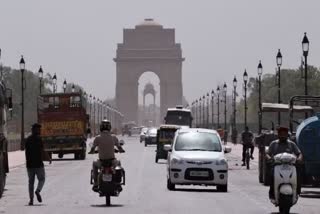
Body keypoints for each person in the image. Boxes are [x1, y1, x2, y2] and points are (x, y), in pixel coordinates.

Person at [266, 126, 303, 200]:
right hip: (277, 165)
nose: (283, 136)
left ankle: (297, 191)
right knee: (271, 176)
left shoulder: (291, 144)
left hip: (289, 166)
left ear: (287, 135)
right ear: (278, 135)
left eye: (284, 134)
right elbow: (267, 153)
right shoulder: (274, 144)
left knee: (298, 174)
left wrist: (299, 159)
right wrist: (269, 158)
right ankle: (272, 193)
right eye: (281, 134)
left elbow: (299, 153)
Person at [89, 120, 125, 190]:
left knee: (94, 164)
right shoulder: (113, 137)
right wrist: (121, 150)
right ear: (109, 128)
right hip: (112, 161)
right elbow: (119, 147)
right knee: (118, 164)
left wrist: (92, 151)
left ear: (101, 128)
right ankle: (118, 184)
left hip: (101, 162)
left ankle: (96, 183)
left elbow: (93, 148)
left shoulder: (97, 138)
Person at [25, 123, 52, 206]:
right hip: (39, 164)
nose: (40, 130)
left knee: (31, 182)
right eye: (39, 129)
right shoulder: (39, 139)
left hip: (29, 165)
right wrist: (48, 158)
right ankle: (38, 190)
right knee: (42, 179)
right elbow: (42, 151)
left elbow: (26, 152)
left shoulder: (28, 139)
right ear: (36, 130)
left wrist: (27, 162)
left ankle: (31, 200)